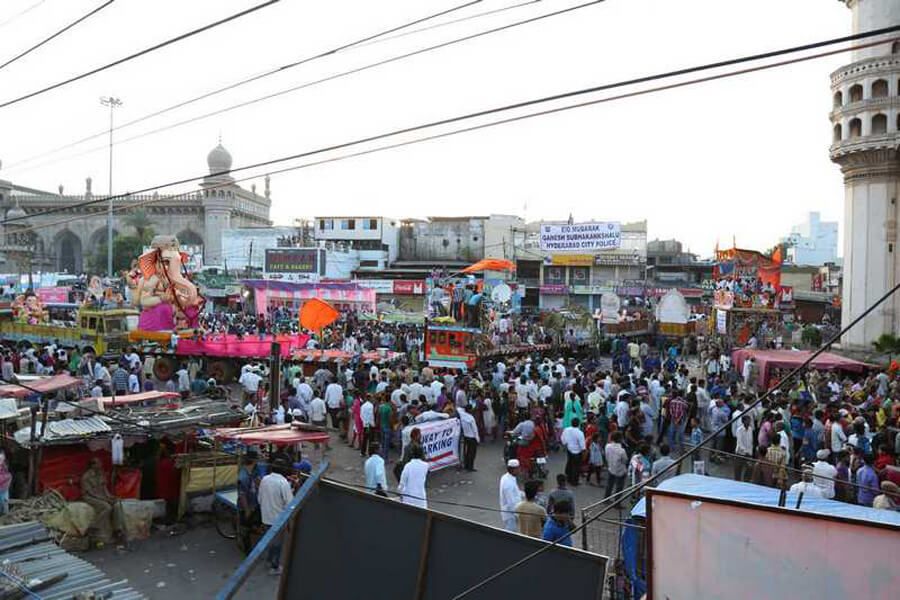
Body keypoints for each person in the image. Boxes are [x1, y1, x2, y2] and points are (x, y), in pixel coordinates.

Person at [258, 460, 294, 575]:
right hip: (278, 518)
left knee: (270, 540)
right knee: (277, 543)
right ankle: (274, 566)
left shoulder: (265, 479)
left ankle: (269, 560)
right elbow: (290, 503)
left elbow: (259, 498)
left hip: (265, 515)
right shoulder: (283, 483)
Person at [80, 458, 121, 543]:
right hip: (89, 497)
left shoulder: (100, 473)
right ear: (92, 465)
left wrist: (110, 497)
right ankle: (95, 525)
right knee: (107, 507)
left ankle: (117, 529)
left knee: (117, 504)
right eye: (98, 463)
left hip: (100, 496)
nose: (100, 465)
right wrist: (104, 499)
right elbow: (90, 493)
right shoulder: (86, 477)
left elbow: (104, 488)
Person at [237, 452, 260, 552]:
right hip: (246, 506)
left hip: (253, 503)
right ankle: (247, 550)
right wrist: (247, 510)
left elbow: (257, 482)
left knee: (252, 525)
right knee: (245, 528)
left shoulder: (254, 471)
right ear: (254, 461)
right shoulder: (243, 476)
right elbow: (242, 495)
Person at [560, 417, 586, 486]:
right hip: (577, 451)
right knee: (576, 467)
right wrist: (584, 452)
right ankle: (574, 482)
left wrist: (565, 445)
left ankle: (569, 478)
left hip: (569, 449)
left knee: (570, 463)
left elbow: (563, 439)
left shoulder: (566, 430)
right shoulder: (580, 433)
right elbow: (582, 445)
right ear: (578, 424)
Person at [499, 459, 523, 532]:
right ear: (513, 469)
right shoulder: (508, 483)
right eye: (518, 468)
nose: (520, 470)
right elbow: (511, 502)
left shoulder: (508, 477)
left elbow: (516, 492)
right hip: (510, 514)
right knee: (511, 533)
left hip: (511, 512)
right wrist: (517, 514)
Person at [604, 431, 628, 501]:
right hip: (620, 471)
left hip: (611, 468)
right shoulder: (622, 451)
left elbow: (606, 457)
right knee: (619, 487)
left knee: (609, 484)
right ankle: (617, 502)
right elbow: (625, 460)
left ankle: (606, 498)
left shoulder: (607, 446)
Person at [458, 406, 480, 471]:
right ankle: (470, 467)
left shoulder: (463, 417)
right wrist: (477, 438)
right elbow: (475, 429)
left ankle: (466, 465)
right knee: (472, 453)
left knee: (467, 452)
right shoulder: (471, 418)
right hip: (472, 437)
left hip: (466, 436)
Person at [734, 414, 755, 482]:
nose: (749, 422)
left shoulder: (750, 429)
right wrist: (745, 451)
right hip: (740, 453)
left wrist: (750, 452)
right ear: (743, 421)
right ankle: (737, 482)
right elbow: (739, 442)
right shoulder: (739, 430)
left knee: (749, 468)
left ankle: (746, 480)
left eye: (749, 421)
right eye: (747, 421)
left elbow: (751, 441)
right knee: (738, 469)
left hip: (748, 453)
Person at [0, 452, 11, 516]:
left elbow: (8, 476)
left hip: (3, 489)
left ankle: (5, 518)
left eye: (1, 459)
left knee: (4, 504)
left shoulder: (5, 468)